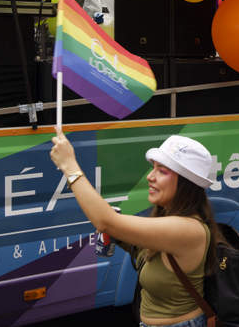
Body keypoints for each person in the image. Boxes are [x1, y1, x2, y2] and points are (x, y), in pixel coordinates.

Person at [51, 130, 219, 327]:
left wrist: (69, 165)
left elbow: (105, 220)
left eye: (162, 171)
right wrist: (119, 235)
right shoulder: (171, 218)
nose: (150, 176)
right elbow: (140, 249)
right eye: (153, 168)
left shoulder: (188, 229)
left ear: (186, 184)